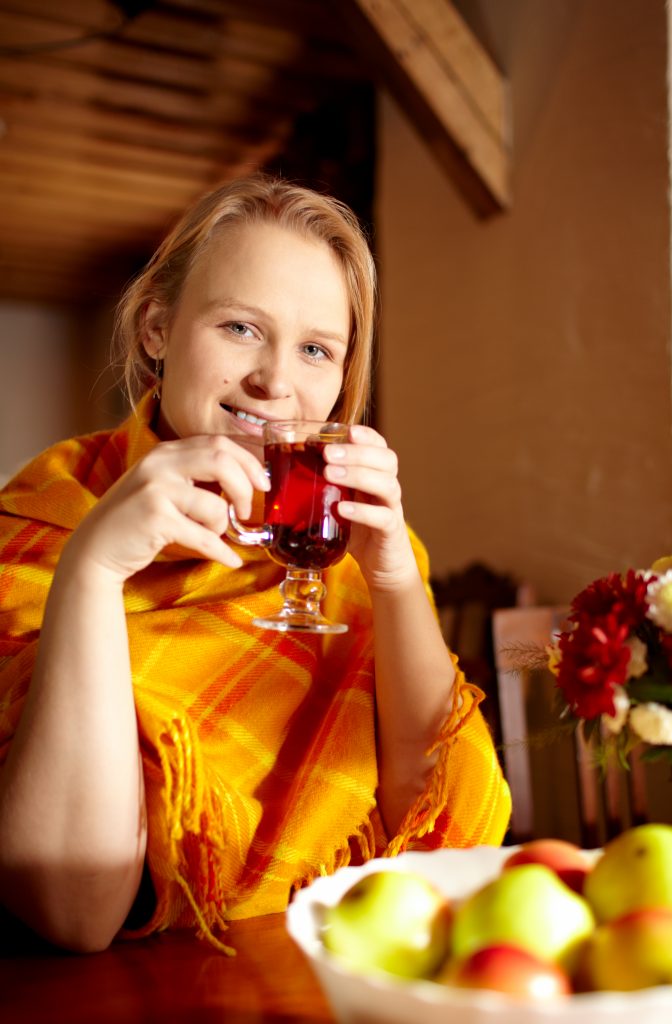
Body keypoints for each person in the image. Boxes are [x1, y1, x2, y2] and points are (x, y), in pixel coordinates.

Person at [0, 175, 511, 955]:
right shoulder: (38, 523)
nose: (277, 381)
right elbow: (75, 910)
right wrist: (92, 571)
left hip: (327, 975)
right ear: (156, 329)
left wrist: (395, 580)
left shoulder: (357, 546)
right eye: (240, 328)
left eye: (315, 348)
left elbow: (448, 833)